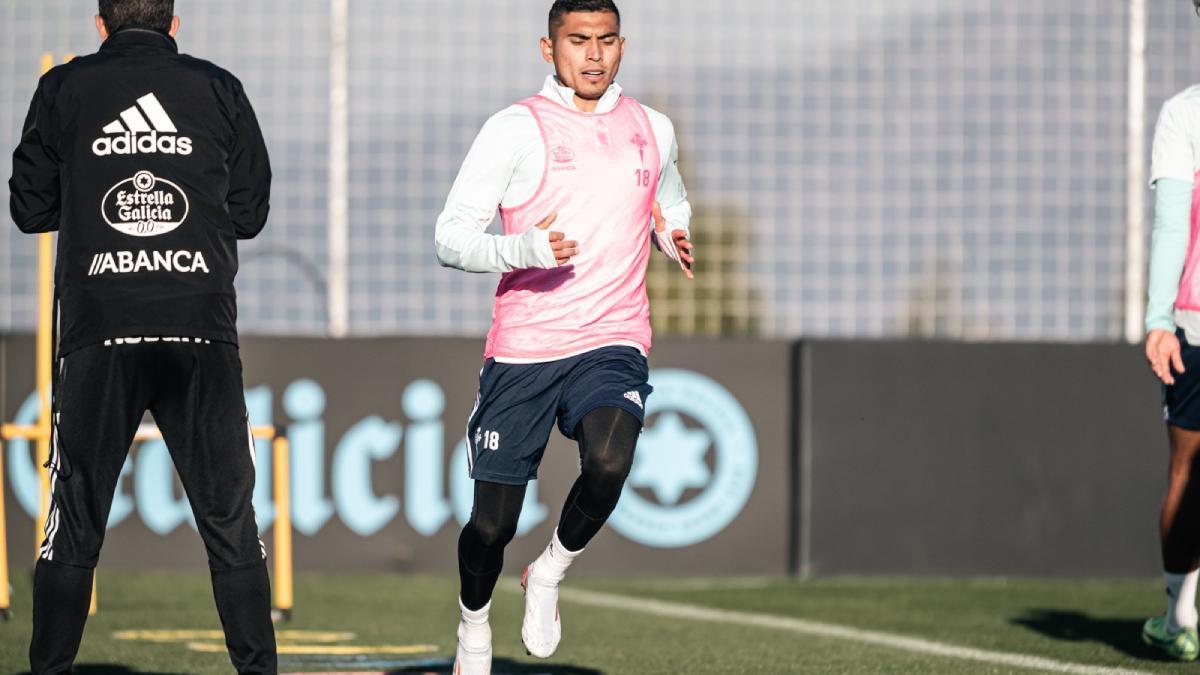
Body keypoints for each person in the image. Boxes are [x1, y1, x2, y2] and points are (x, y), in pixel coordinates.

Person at [8, 1, 276, 672]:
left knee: (74, 526)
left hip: (102, 331)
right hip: (201, 333)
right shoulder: (219, 88)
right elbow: (250, 212)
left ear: (100, 25)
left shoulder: (65, 87)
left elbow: (28, 207)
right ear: (173, 24)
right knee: (232, 528)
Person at [433, 1, 693, 671]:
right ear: (549, 49)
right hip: (525, 348)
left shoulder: (652, 129)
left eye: (606, 40)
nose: (594, 54)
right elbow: (450, 238)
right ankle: (473, 622)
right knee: (490, 526)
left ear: (623, 45)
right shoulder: (514, 129)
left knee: (609, 461)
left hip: (613, 334)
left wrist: (671, 231)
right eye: (579, 41)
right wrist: (526, 248)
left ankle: (549, 570)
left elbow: (670, 195)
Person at [1142, 0, 1200, 661]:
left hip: (1195, 321)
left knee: (1188, 470)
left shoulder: (1186, 112)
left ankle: (1177, 616)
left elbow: (1171, 225)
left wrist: (1160, 318)